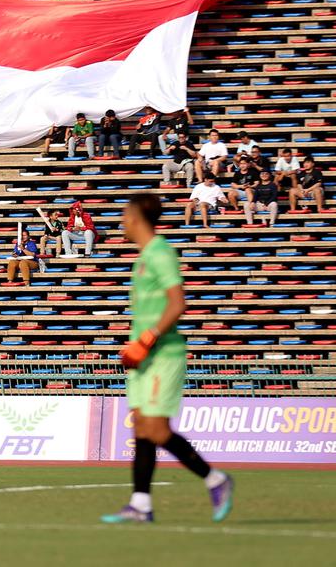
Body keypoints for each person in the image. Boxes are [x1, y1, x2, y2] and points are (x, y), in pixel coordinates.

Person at [101, 194, 233, 525]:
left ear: (135, 217)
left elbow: (177, 304)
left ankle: (215, 479)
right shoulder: (144, 257)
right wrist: (134, 344)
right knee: (142, 428)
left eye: (123, 215)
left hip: (163, 354)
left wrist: (146, 339)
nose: (121, 223)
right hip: (143, 355)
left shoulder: (161, 252)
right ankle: (141, 503)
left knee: (158, 430)